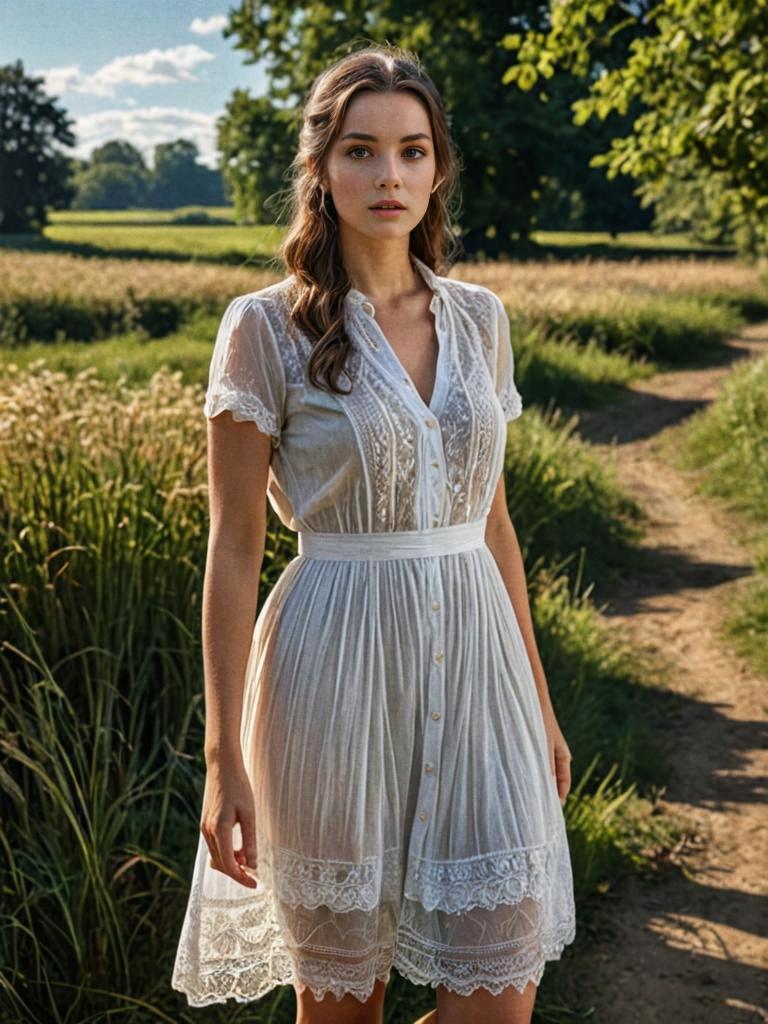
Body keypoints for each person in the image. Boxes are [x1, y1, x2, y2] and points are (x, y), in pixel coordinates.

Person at [171, 42, 576, 1024]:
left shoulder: (480, 319)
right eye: (360, 150)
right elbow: (232, 551)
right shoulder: (264, 330)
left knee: (499, 999)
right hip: (330, 673)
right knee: (343, 1004)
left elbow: (494, 521)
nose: (387, 175)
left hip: (482, 673)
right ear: (320, 166)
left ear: (437, 168)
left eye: (411, 150)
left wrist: (541, 700)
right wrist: (224, 757)